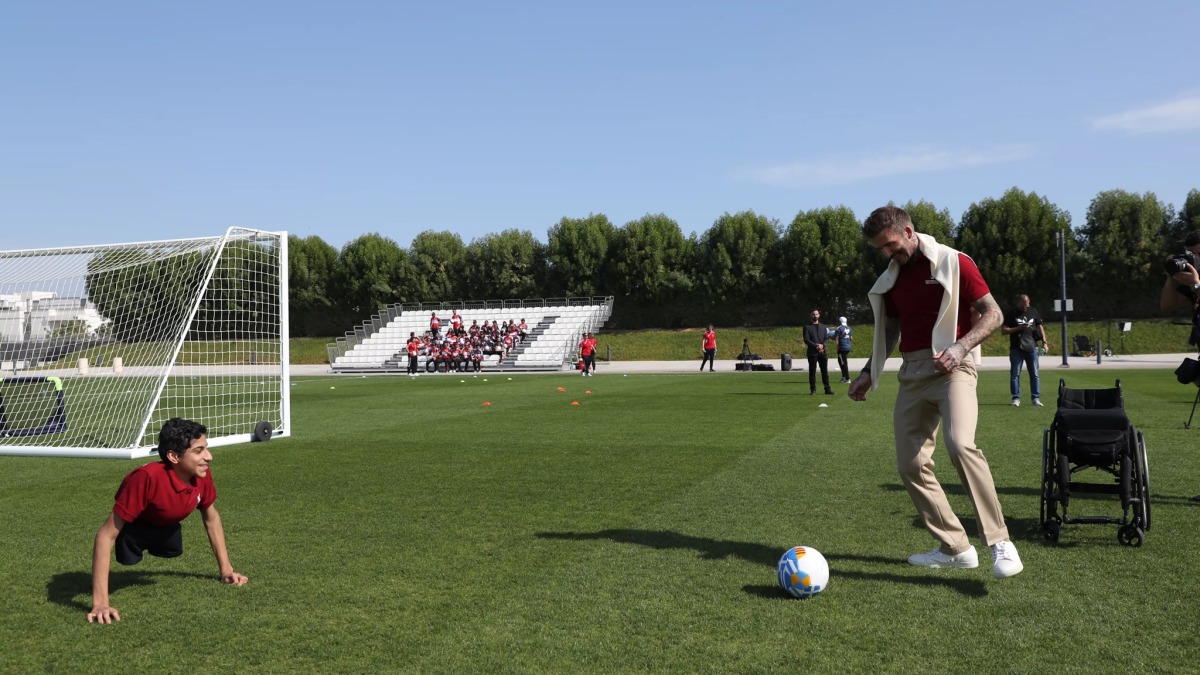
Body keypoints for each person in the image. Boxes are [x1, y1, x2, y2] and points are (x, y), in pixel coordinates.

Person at [848, 205, 1022, 579]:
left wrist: (960, 348)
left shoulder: (955, 262)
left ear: (909, 232)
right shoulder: (892, 278)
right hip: (912, 373)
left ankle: (1000, 542)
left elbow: (993, 314)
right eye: (880, 250)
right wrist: (868, 371)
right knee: (910, 464)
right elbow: (890, 330)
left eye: (891, 245)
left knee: (961, 445)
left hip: (954, 368)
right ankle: (955, 547)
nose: (887, 254)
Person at [88, 418, 247, 623]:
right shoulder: (146, 478)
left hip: (167, 524)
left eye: (206, 448)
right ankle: (131, 543)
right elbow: (105, 535)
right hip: (135, 529)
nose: (209, 457)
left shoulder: (201, 474)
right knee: (128, 559)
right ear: (173, 456)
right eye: (198, 451)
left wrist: (227, 570)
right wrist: (100, 602)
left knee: (172, 549)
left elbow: (212, 518)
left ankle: (160, 539)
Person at [1002, 294, 1048, 407]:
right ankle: (1016, 398)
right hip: (1016, 348)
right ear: (1018, 303)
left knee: (1035, 374)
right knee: (1015, 374)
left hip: (1032, 347)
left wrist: (1045, 342)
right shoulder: (1011, 313)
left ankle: (1035, 398)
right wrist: (1019, 328)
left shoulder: (1033, 311)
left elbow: (1040, 326)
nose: (1025, 308)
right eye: (1023, 306)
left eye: (1027, 305)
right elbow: (1003, 331)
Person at [803, 310, 834, 395]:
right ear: (811, 315)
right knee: (812, 372)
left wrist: (823, 345)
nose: (815, 316)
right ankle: (813, 390)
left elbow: (827, 338)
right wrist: (816, 346)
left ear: (819, 315)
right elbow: (806, 339)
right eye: (813, 314)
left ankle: (827, 389)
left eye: (816, 314)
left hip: (823, 352)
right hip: (812, 352)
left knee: (825, 371)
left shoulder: (824, 327)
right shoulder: (807, 327)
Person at [834, 317, 853, 383]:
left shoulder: (839, 328)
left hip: (842, 347)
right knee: (841, 361)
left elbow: (836, 338)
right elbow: (851, 338)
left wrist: (837, 346)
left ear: (839, 321)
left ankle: (847, 378)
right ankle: (843, 377)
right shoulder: (849, 328)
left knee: (843, 362)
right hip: (848, 347)